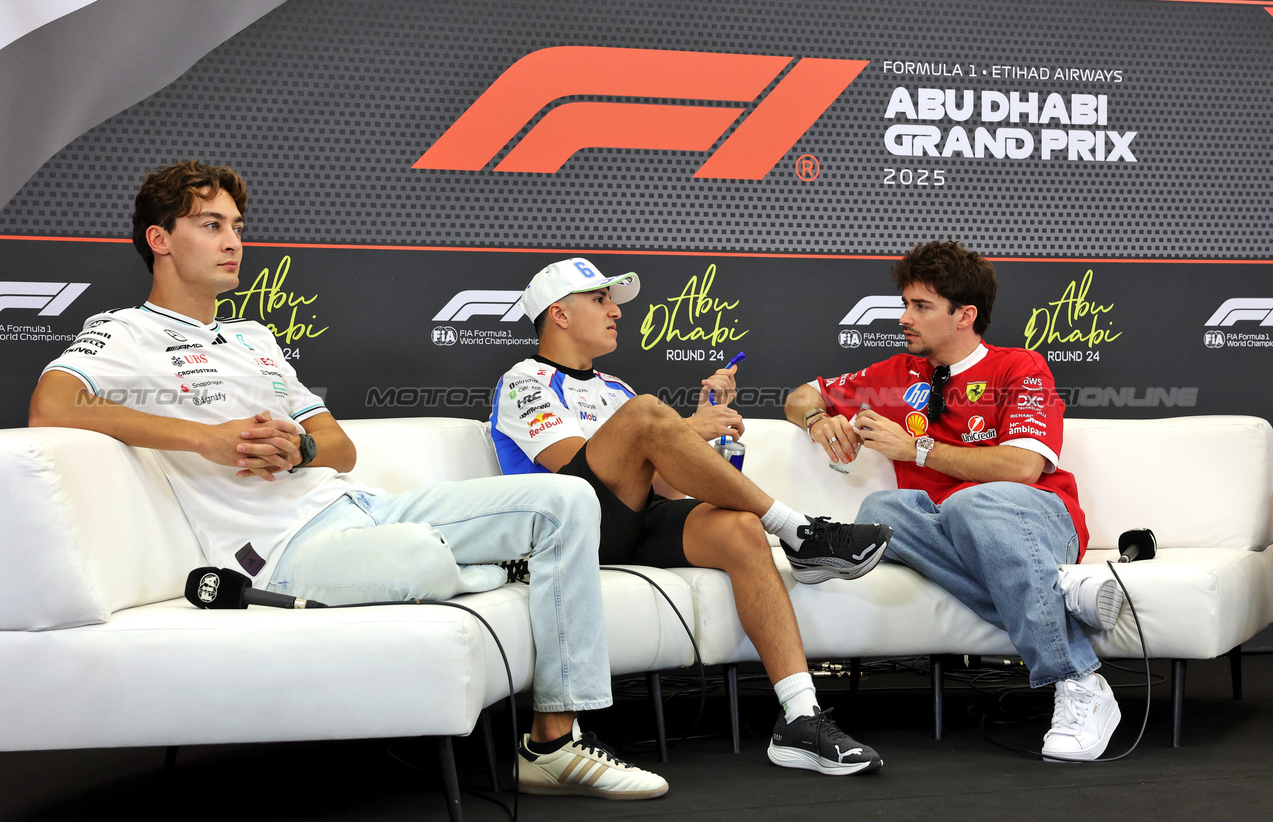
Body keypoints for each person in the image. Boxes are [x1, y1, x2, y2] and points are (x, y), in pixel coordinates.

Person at [28, 161, 667, 800]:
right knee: (419, 556)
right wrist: (207, 438)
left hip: (358, 508)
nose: (233, 243)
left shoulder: (254, 338)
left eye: (237, 227)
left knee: (566, 497)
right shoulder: (124, 332)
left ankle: (551, 744)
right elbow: (50, 407)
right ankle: (502, 568)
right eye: (210, 225)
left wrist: (300, 448)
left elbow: (341, 446)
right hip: (278, 553)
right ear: (159, 240)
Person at [490, 258, 892, 775]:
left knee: (740, 529)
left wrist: (690, 434)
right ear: (559, 314)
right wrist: (677, 428)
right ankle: (798, 530)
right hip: (570, 532)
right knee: (645, 415)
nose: (615, 311)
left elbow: (665, 487)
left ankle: (800, 716)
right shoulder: (523, 382)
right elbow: (571, 468)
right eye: (600, 300)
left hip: (631, 522)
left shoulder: (616, 386)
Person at [784, 240, 1125, 762]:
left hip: (1035, 515)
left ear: (965, 315)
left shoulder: (1019, 367)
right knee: (880, 512)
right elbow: (801, 394)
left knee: (970, 503)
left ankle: (1079, 681)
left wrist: (915, 448)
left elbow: (1022, 465)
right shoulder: (897, 374)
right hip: (949, 527)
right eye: (904, 304)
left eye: (921, 307)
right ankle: (1059, 593)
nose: (904, 318)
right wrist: (817, 419)